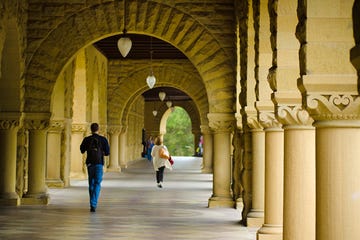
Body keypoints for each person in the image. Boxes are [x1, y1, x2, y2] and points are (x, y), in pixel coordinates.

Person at [80, 123, 110, 212]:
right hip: (99, 163)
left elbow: (82, 150)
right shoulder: (103, 139)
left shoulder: (87, 139)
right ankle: (93, 203)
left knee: (91, 183)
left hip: (90, 163)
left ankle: (92, 203)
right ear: (98, 129)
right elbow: (107, 152)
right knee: (97, 183)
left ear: (91, 129)